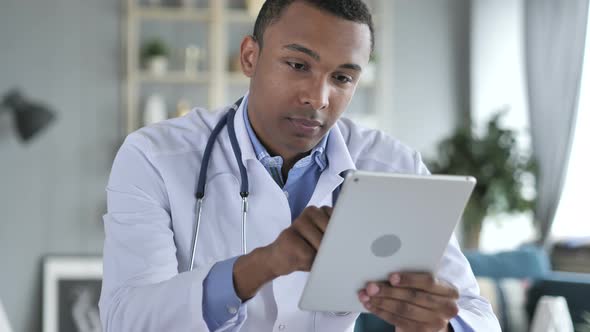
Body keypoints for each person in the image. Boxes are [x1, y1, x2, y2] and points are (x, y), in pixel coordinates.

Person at [99, 0, 501, 331]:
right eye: (297, 65)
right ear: (250, 57)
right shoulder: (153, 156)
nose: (318, 97)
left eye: (342, 77)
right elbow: (126, 319)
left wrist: (442, 325)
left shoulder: (395, 166)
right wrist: (262, 265)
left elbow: (478, 316)